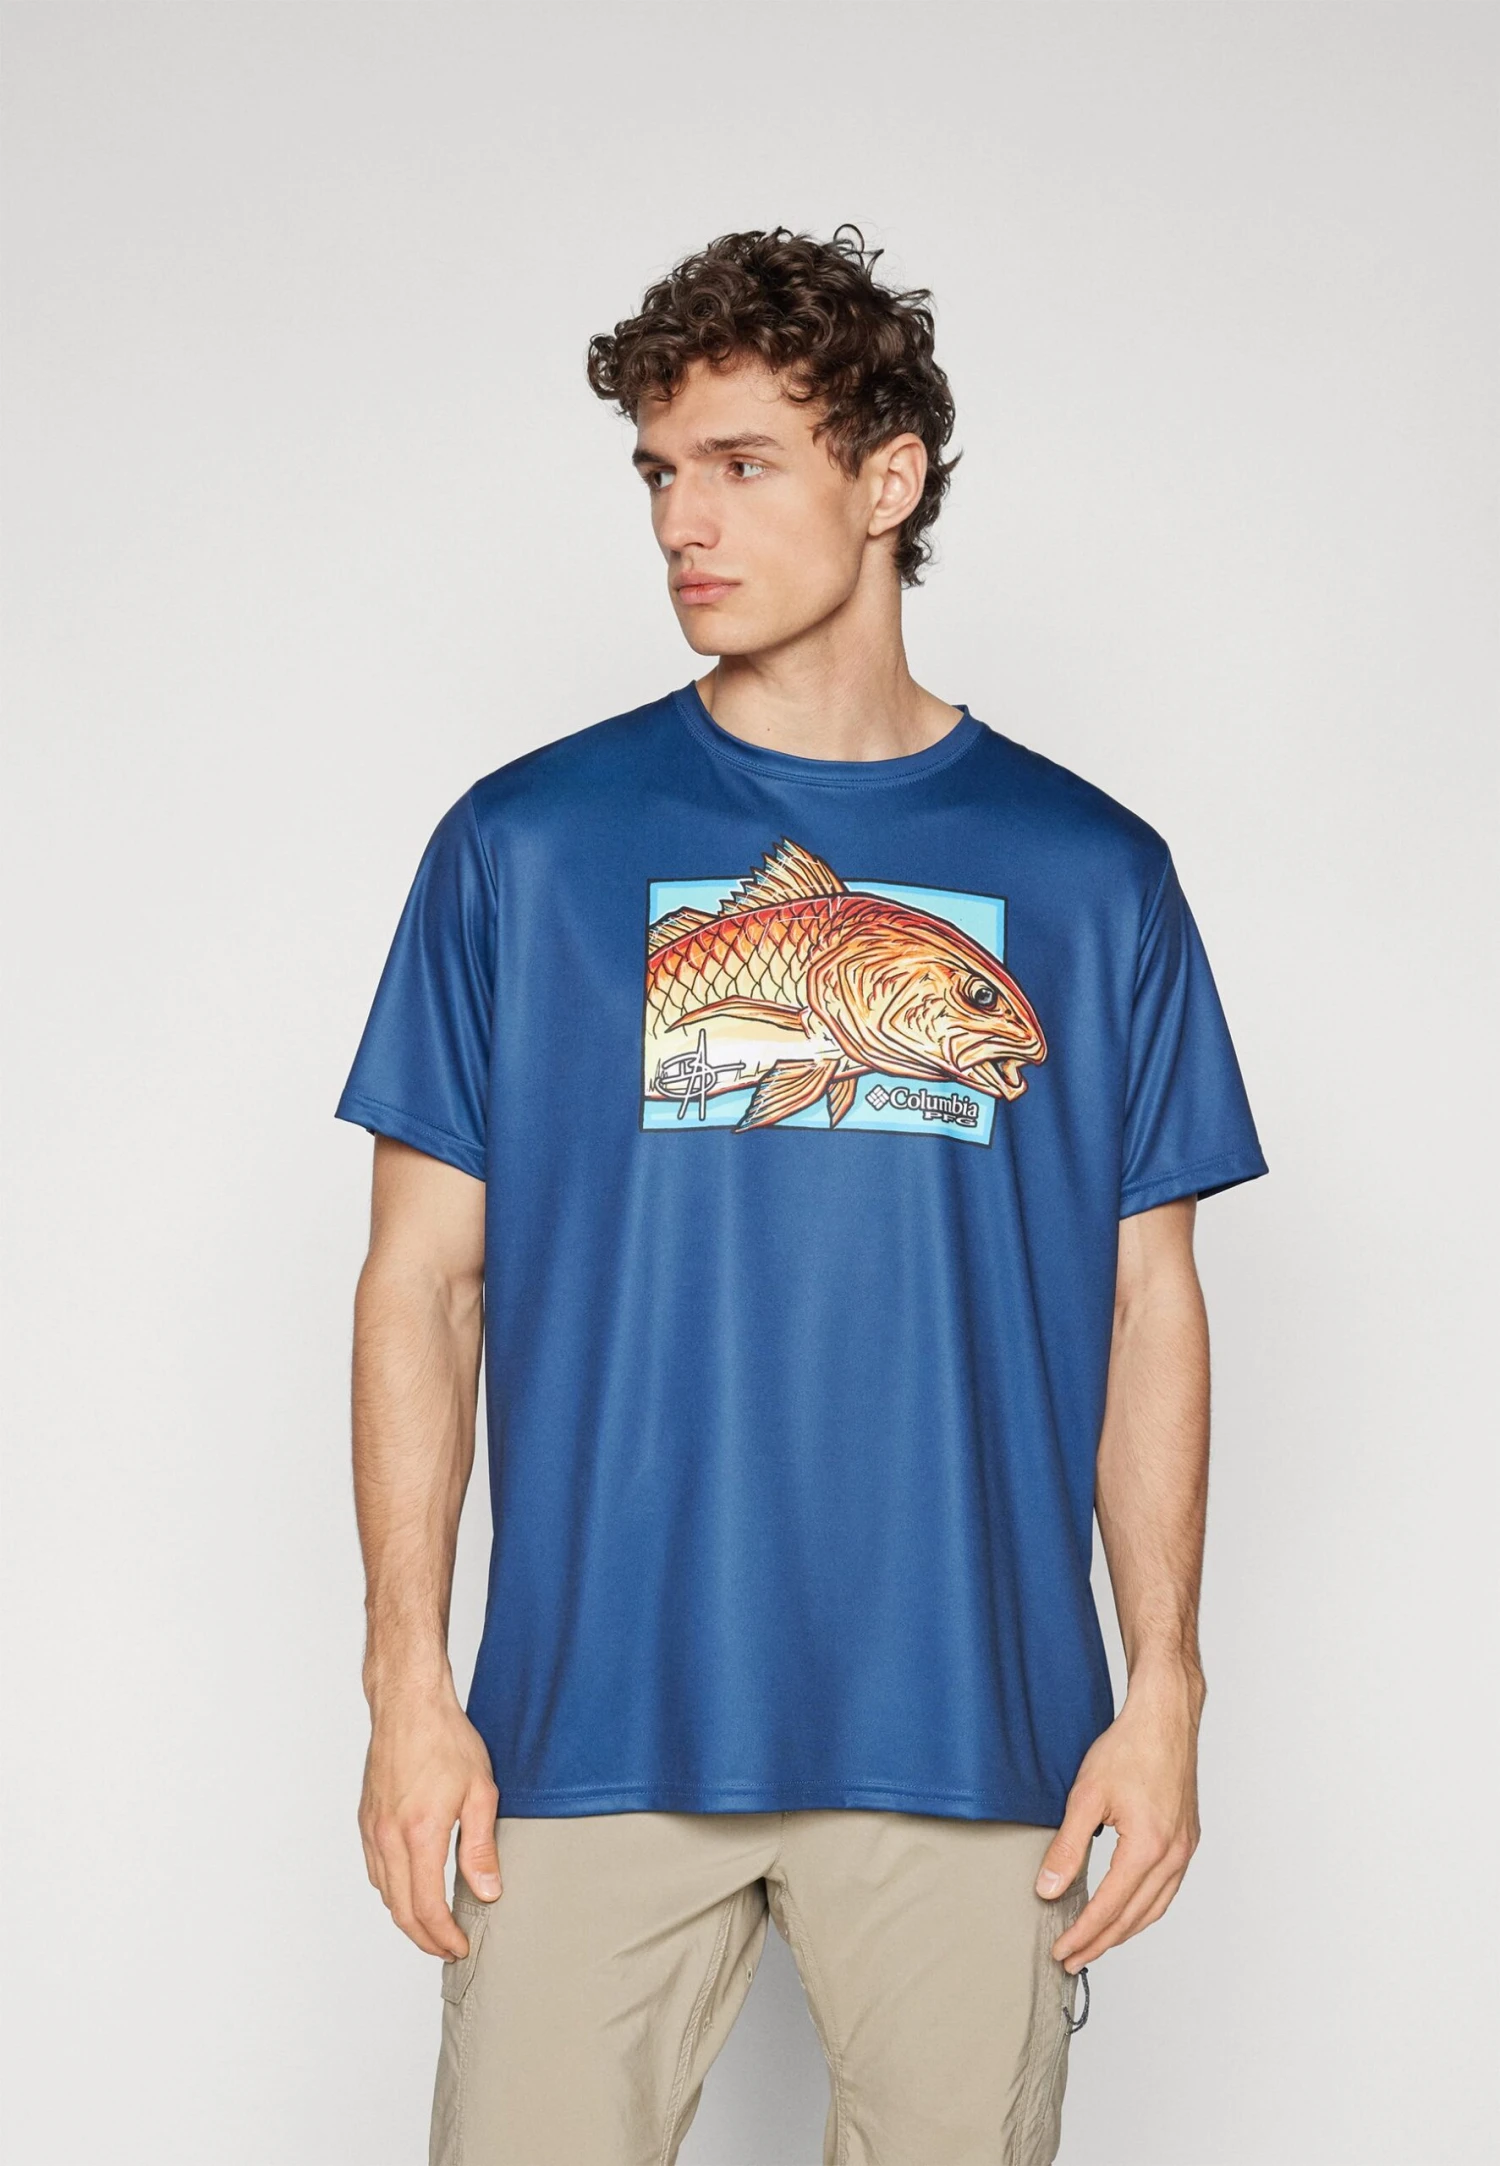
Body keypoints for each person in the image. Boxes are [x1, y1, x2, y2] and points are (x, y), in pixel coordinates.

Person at [335, 226, 1268, 2166]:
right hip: (585, 1723)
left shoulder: (1092, 873)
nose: (684, 520)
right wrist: (408, 1684)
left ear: (888, 478)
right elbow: (422, 1283)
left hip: (975, 1722)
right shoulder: (525, 845)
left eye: (743, 463)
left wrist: (1166, 1688)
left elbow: (1147, 1304)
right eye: (660, 471)